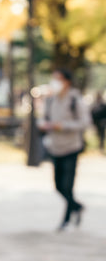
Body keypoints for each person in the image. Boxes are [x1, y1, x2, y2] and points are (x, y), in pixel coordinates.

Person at [39, 67, 90, 231]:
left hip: (71, 147)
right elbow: (42, 119)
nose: (55, 82)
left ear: (67, 82)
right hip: (55, 147)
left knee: (68, 186)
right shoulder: (50, 100)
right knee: (58, 186)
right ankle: (77, 207)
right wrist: (44, 125)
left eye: (58, 79)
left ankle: (66, 219)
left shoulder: (75, 99)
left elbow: (85, 122)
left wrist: (63, 126)